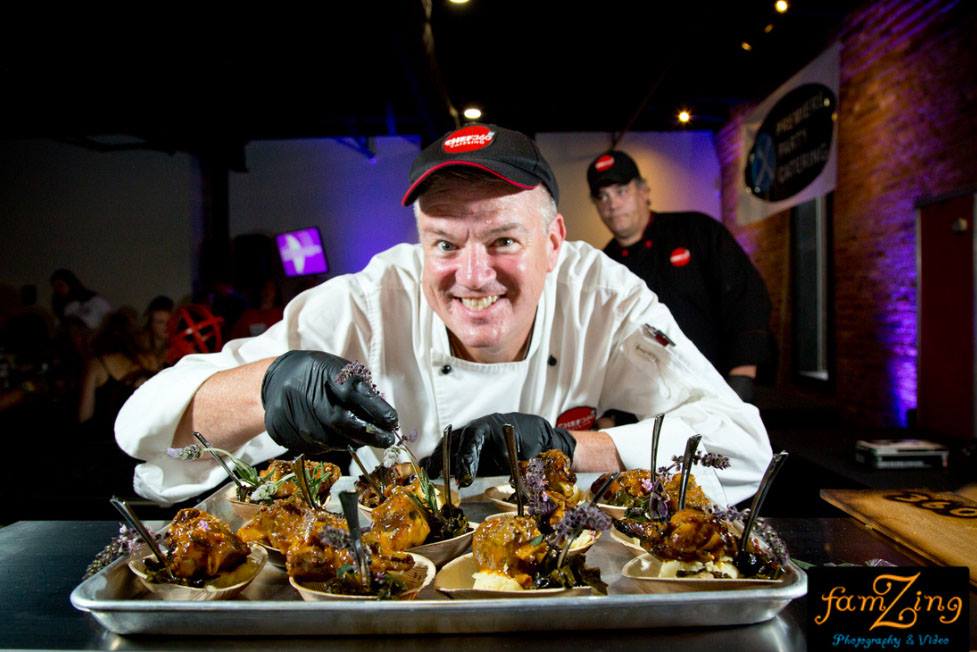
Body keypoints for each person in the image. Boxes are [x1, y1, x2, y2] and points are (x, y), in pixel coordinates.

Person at [116, 125, 771, 507]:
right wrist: (266, 389)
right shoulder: (365, 305)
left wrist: (574, 451)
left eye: (503, 240)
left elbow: (742, 452)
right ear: (418, 244)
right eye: (445, 244)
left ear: (553, 243)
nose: (473, 275)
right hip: (371, 586)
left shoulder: (602, 295)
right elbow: (143, 435)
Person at [586, 150, 773, 404]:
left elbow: (746, 295)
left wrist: (742, 373)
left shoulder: (698, 231)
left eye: (621, 191)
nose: (612, 204)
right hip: (650, 403)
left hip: (718, 386)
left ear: (644, 191)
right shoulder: (604, 267)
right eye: (602, 197)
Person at [144, 295, 174, 368]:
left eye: (169, 321)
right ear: (151, 324)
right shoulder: (141, 348)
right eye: (160, 322)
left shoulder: (175, 347)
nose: (166, 326)